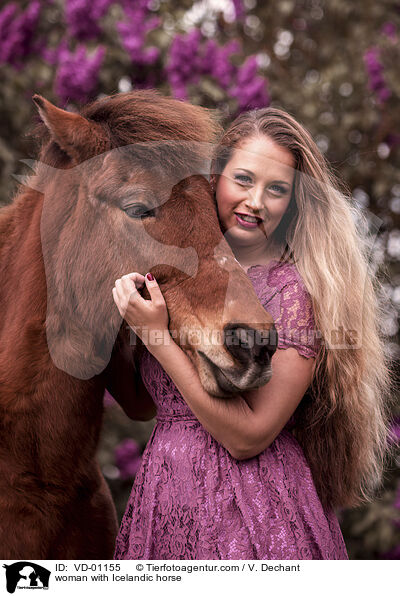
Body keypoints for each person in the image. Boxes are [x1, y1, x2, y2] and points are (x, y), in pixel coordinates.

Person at [111, 107, 393, 560]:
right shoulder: (180, 275)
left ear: (294, 201)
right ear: (214, 178)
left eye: (276, 189)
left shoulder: (294, 292)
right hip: (166, 496)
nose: (256, 201)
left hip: (251, 512)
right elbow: (146, 406)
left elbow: (249, 438)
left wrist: (156, 339)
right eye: (243, 179)